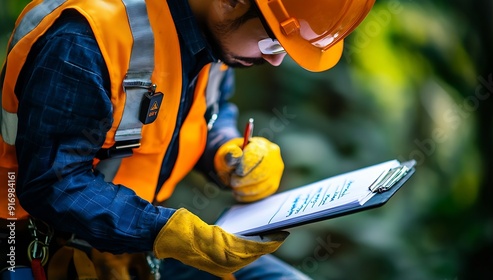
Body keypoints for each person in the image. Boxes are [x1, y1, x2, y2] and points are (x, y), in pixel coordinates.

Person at [0, 0, 375, 279]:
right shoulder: (85, 41)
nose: (275, 60)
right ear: (230, 3)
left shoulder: (218, 35)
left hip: (133, 241)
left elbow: (208, 109)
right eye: (273, 43)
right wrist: (167, 232)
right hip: (30, 244)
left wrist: (226, 152)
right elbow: (54, 183)